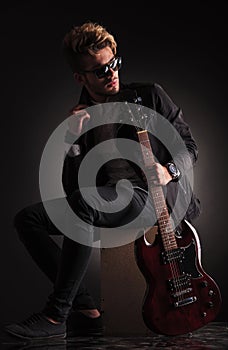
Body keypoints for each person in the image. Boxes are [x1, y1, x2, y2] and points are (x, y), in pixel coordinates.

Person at [5, 21, 201, 340]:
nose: (111, 73)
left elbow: (189, 145)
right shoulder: (82, 117)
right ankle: (86, 311)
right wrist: (73, 140)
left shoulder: (148, 95)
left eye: (113, 64)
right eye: (99, 71)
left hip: (153, 199)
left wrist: (170, 170)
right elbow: (74, 192)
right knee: (28, 219)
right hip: (107, 201)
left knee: (85, 204)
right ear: (80, 77)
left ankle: (56, 316)